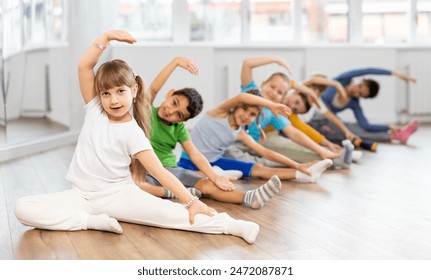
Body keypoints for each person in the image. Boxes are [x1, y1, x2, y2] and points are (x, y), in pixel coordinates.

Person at [13, 30, 260, 244]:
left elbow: (162, 173)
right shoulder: (95, 109)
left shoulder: (133, 132)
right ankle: (89, 222)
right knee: (23, 208)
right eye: (106, 93)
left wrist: (189, 201)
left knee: (173, 215)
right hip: (80, 195)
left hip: (118, 195)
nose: (113, 100)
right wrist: (106, 37)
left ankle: (230, 225)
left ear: (133, 90)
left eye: (120, 91)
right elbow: (84, 66)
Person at [135, 56, 281, 209]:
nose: (170, 111)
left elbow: (195, 154)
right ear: (169, 94)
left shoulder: (179, 129)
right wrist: (175, 62)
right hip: (145, 171)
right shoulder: (148, 112)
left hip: (171, 170)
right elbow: (153, 89)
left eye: (179, 115)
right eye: (174, 103)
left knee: (206, 184)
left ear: (183, 121)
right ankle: (174, 192)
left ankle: (249, 197)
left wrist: (215, 177)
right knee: (136, 185)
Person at [177, 89, 333, 182]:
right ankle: (217, 174)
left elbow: (266, 153)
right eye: (244, 109)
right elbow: (240, 97)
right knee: (197, 177)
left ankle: (304, 175)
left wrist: (297, 165)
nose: (246, 115)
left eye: (252, 114)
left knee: (260, 168)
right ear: (235, 107)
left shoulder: (241, 134)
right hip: (189, 162)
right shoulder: (218, 113)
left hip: (214, 162)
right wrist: (271, 104)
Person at [224, 56, 352, 169]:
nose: (274, 93)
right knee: (229, 152)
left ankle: (332, 158)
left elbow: (294, 133)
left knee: (241, 155)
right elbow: (247, 64)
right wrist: (276, 60)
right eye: (272, 87)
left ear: (283, 97)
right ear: (263, 84)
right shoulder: (251, 92)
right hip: (231, 143)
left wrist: (321, 149)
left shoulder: (275, 113)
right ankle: (265, 164)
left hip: (249, 147)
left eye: (280, 92)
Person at [308, 68, 419, 145]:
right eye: (359, 86)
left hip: (327, 122)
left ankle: (395, 136)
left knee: (353, 128)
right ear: (361, 81)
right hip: (311, 115)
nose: (356, 91)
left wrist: (388, 126)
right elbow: (368, 70)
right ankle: (394, 136)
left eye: (360, 94)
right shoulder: (342, 80)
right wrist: (397, 74)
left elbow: (365, 125)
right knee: (347, 129)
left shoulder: (353, 102)